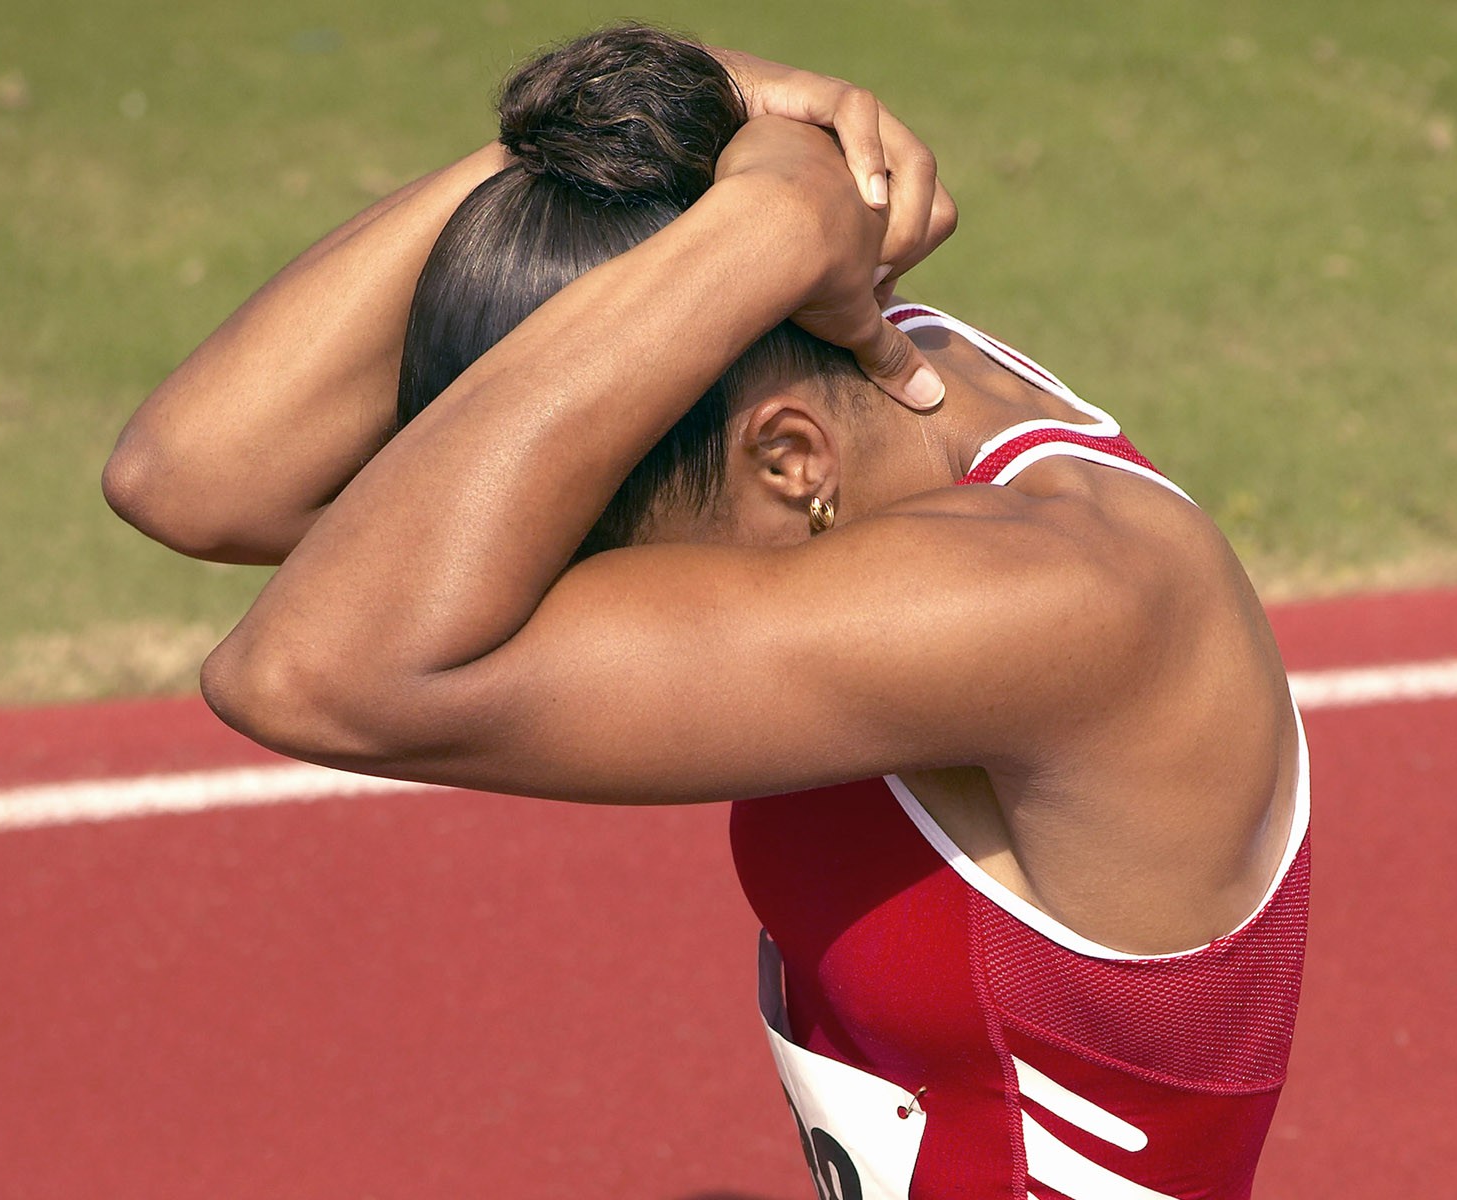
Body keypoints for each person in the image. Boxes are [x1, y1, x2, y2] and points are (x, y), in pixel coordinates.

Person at [104, 25, 1308, 1200]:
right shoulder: (844, 371)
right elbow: (196, 480)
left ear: (790, 462)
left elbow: (308, 675)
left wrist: (770, 218)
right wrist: (647, 111)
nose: (564, 603)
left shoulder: (1055, 600)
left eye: (605, 563)